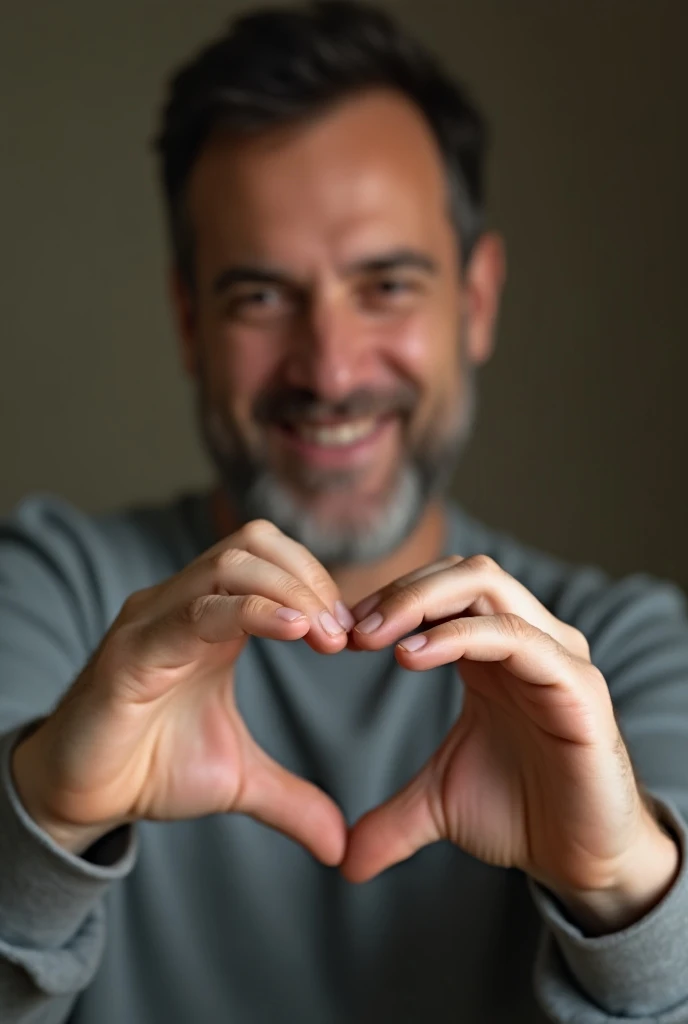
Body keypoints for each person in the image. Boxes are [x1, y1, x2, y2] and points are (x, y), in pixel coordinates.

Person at [1, 2, 687, 1021]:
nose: (329, 370)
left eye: (386, 284)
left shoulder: (623, 654)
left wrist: (623, 886)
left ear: (479, 297)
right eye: (262, 297)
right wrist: (43, 820)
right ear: (190, 322)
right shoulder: (52, 589)